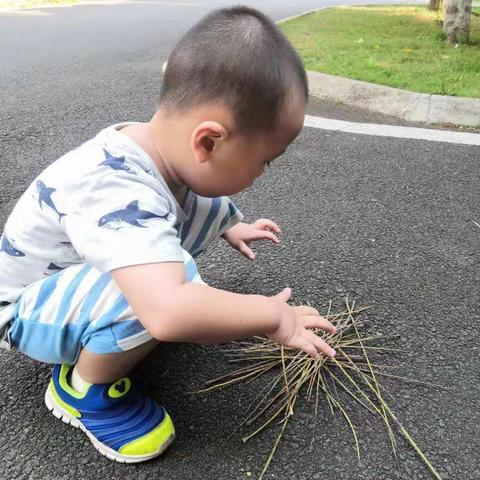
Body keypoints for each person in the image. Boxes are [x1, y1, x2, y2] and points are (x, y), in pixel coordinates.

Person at [0, 6, 336, 463]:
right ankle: (82, 391)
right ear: (209, 142)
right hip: (27, 312)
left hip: (70, 284)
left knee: (177, 257)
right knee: (166, 294)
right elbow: (168, 312)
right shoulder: (112, 187)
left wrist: (229, 223)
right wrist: (273, 318)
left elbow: (192, 198)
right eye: (265, 160)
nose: (263, 173)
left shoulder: (155, 150)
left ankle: (107, 332)